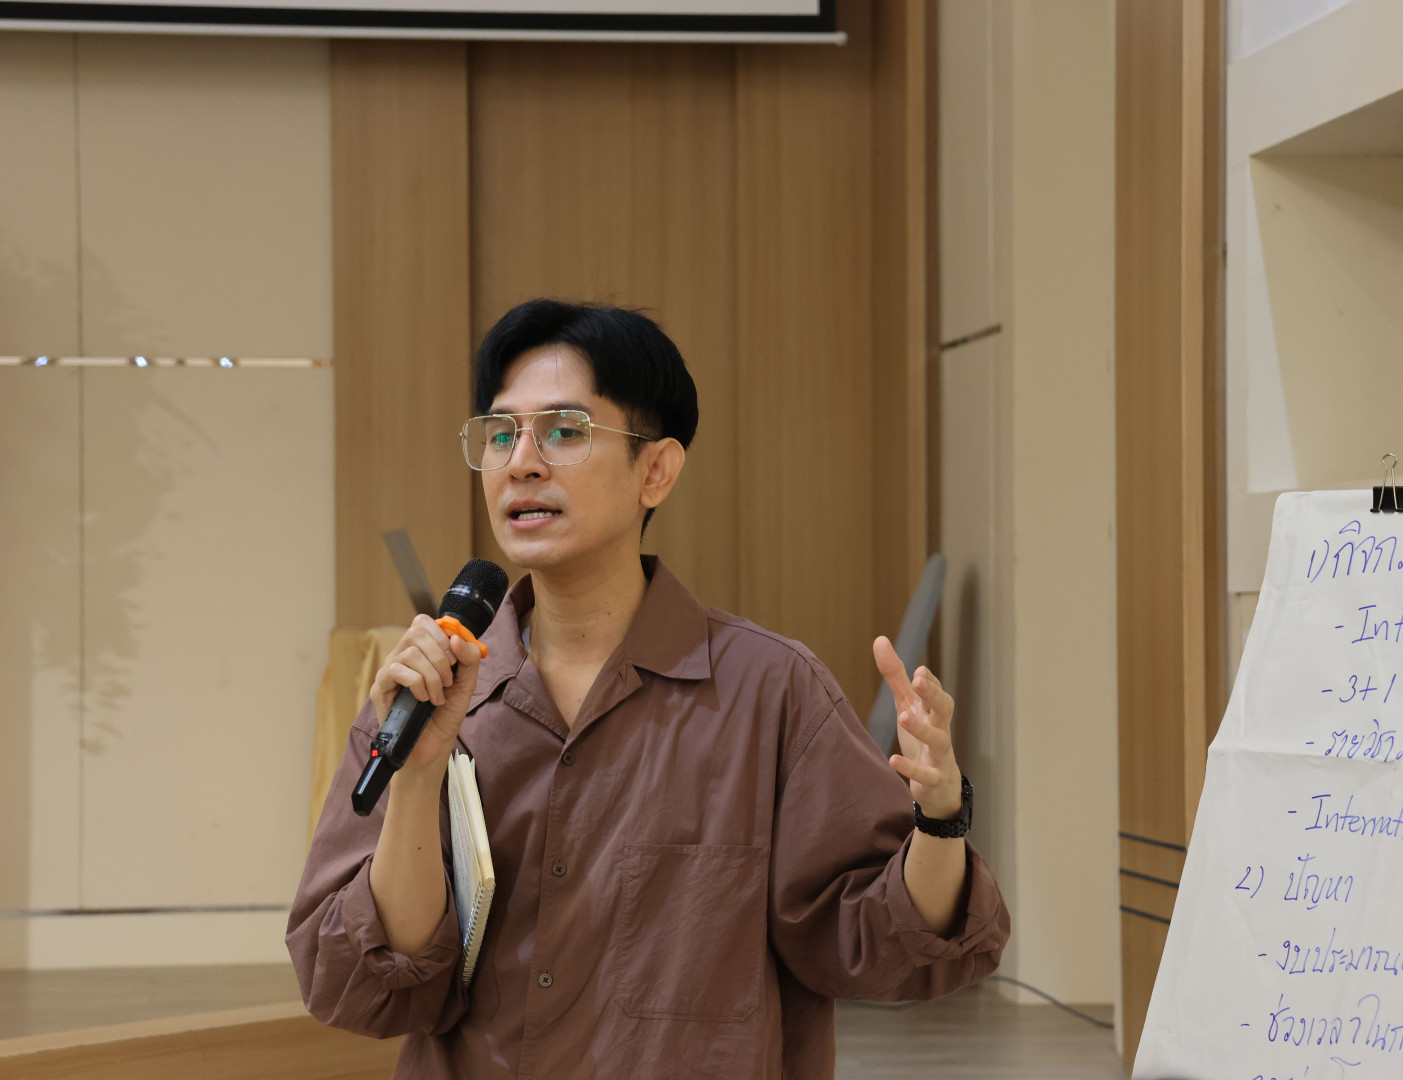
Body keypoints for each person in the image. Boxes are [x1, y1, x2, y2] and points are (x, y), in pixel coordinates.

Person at [287, 299, 1009, 1078]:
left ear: (655, 471)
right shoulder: (429, 693)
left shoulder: (770, 691)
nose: (522, 462)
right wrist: (418, 775)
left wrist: (940, 816)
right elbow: (372, 983)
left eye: (564, 431)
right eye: (501, 433)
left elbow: (883, 947)